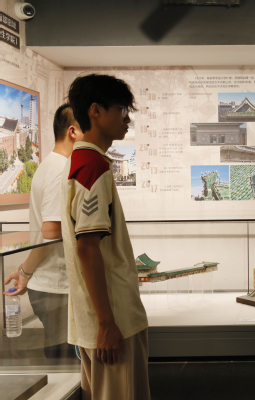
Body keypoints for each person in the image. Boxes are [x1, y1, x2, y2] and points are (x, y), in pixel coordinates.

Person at [63, 74, 150, 400]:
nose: (127, 119)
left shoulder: (82, 161)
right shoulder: (92, 168)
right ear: (96, 111)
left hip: (103, 320)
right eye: (122, 109)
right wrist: (106, 324)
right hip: (114, 323)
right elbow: (87, 249)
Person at [4, 104, 83, 360]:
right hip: (55, 286)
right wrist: (25, 271)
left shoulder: (50, 165)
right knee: (65, 364)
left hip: (53, 284)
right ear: (72, 131)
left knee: (62, 359)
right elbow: (51, 231)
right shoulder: (61, 168)